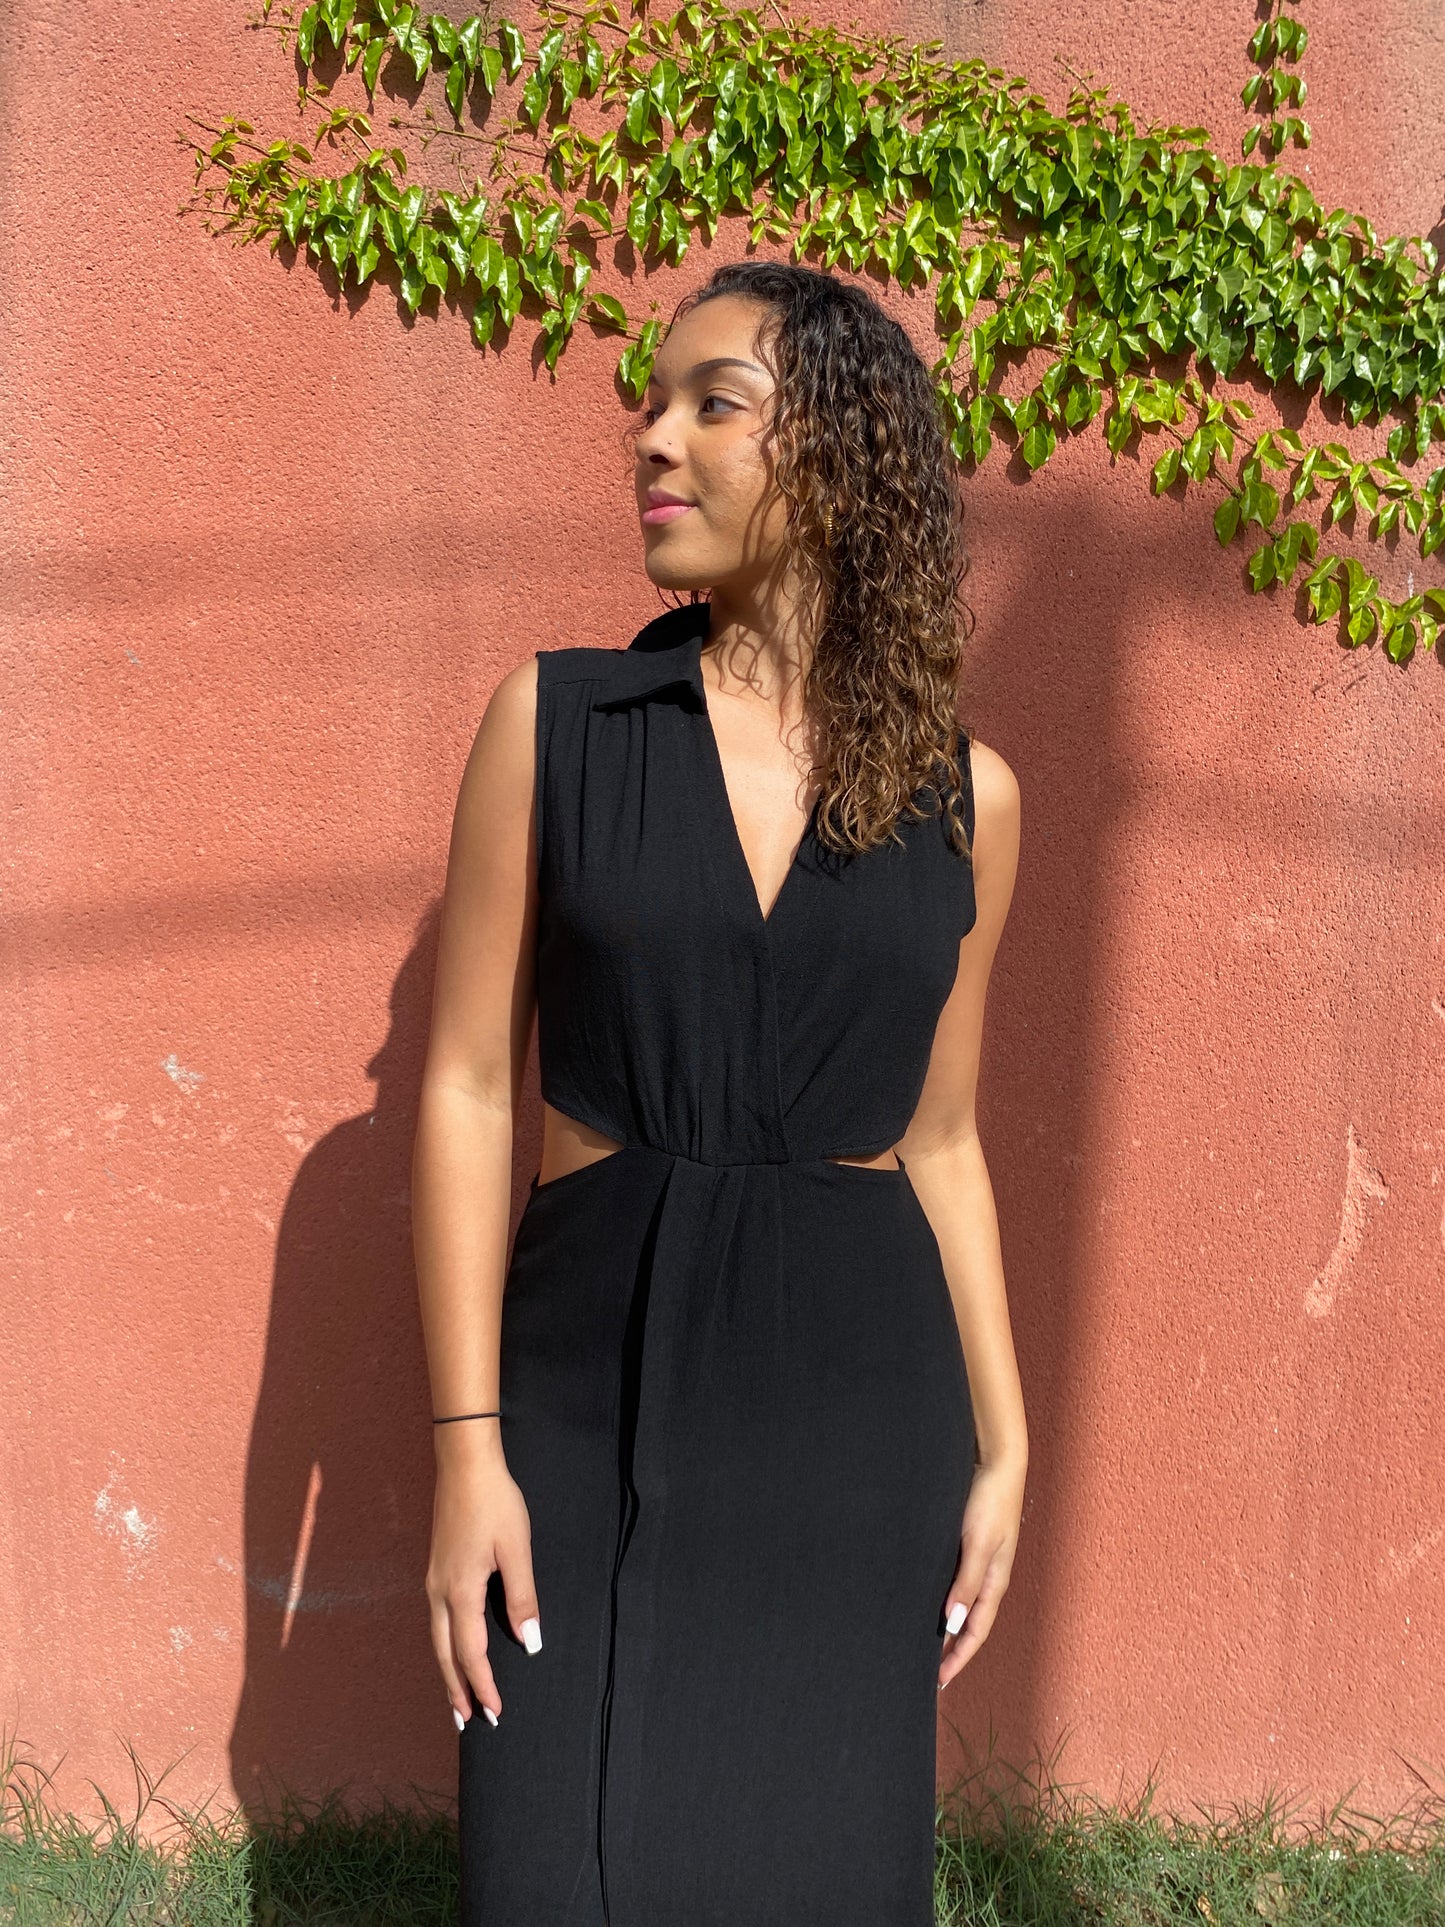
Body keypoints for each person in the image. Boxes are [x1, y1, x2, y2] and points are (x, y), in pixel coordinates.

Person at [411, 259, 1026, 1927]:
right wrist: (467, 1449)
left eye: (712, 405)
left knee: (808, 1868)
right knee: (548, 1865)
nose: (652, 439)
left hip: (855, 1409)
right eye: (652, 403)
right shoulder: (557, 724)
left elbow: (941, 1138)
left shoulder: (965, 799)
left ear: (833, 455)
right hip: (580, 1375)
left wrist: (1004, 1441)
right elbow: (466, 1087)